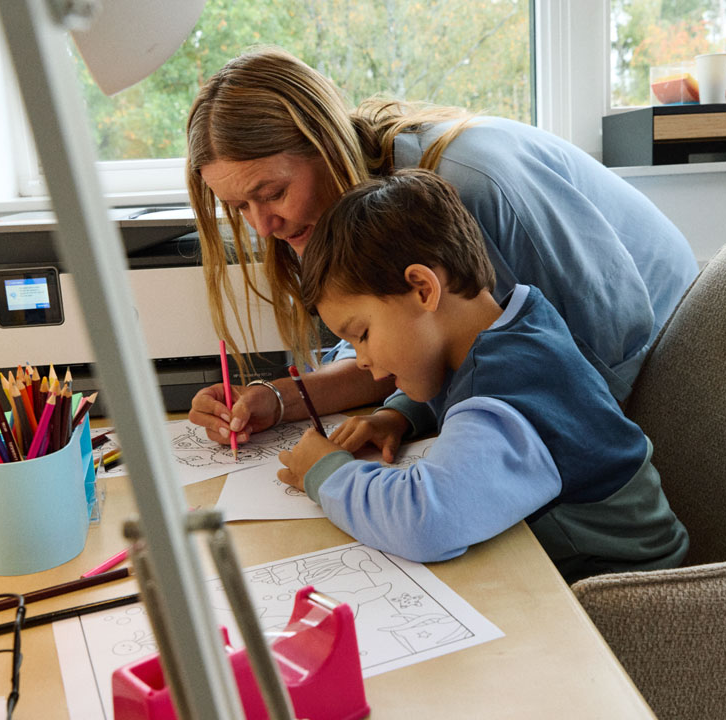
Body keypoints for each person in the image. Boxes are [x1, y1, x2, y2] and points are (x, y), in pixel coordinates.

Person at [185, 46, 698, 448]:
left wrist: (458, 443)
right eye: (238, 208)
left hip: (662, 361)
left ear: (325, 143)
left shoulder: (471, 183)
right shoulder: (341, 218)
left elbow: (603, 351)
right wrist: (274, 401)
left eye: (272, 193)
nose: (263, 225)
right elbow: (390, 357)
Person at [275, 170, 687, 582]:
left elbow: (427, 521)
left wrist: (326, 472)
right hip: (599, 568)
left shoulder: (506, 392)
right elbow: (455, 384)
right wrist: (399, 415)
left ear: (423, 289)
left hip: (625, 594)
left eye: (361, 334)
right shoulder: (514, 326)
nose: (360, 359)